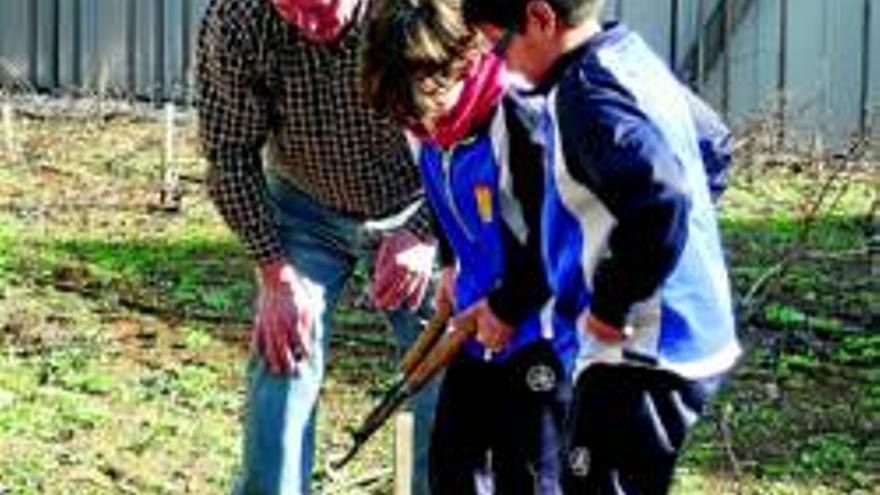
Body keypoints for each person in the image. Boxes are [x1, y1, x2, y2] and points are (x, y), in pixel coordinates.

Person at [461, 0, 742, 492]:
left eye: (499, 44)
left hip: (639, 348)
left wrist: (615, 302)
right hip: (686, 332)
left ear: (542, 18)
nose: (499, 63)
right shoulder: (627, 54)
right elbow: (712, 146)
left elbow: (663, 199)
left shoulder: (586, 97)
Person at [196, 0, 440, 493]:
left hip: (418, 201)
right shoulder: (238, 18)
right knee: (282, 353)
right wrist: (274, 271)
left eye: (320, 6)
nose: (310, 24)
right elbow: (229, 154)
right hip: (304, 207)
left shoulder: (419, 11)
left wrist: (425, 229)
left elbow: (480, 128)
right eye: (292, 10)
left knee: (443, 369)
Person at [362, 0, 576, 492]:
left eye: (430, 114)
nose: (424, 130)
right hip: (477, 321)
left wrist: (505, 307)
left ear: (462, 66)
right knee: (453, 468)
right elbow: (442, 198)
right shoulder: (420, 120)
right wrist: (452, 264)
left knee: (527, 475)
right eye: (412, 122)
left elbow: (551, 242)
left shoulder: (519, 119)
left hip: (541, 330)